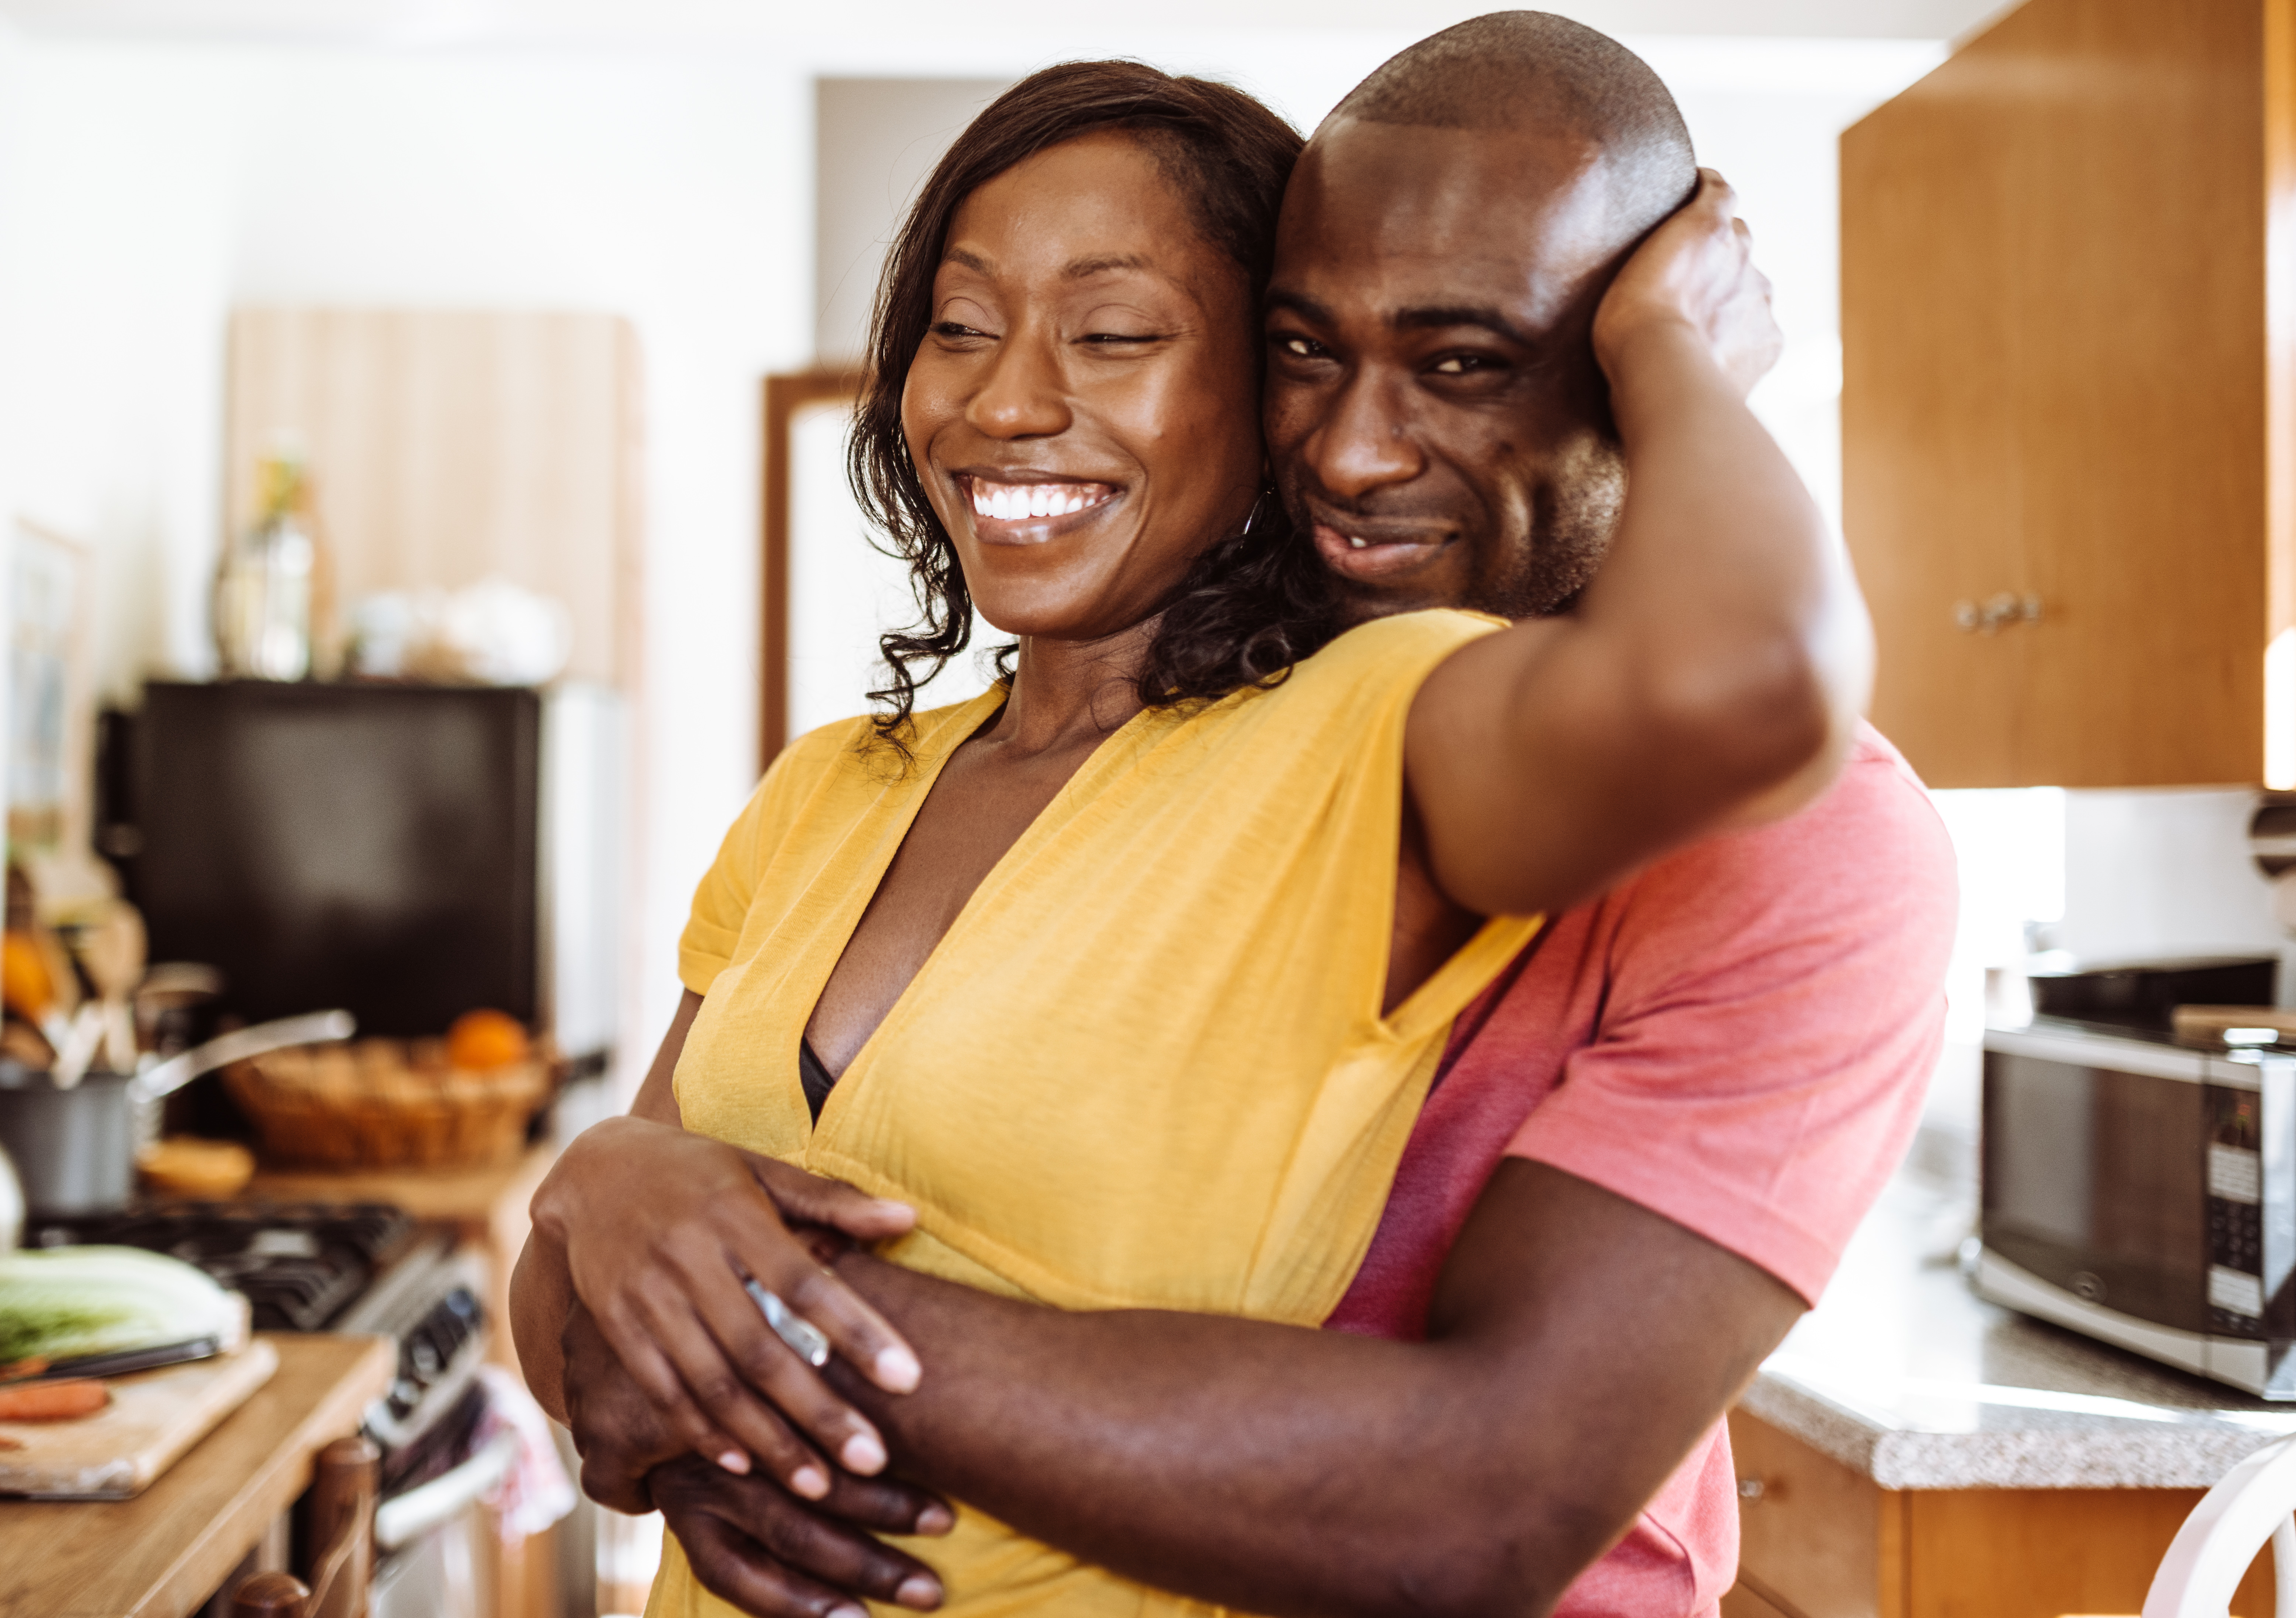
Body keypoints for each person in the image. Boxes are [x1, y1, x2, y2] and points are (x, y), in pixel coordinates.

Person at [517, 18, 1903, 1616]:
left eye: (1112, 333)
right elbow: (584, 1335)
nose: (1358, 446)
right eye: (959, 323)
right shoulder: (831, 786)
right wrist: (605, 1185)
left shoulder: (1357, 748)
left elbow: (1471, 1496)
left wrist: (736, 1321)